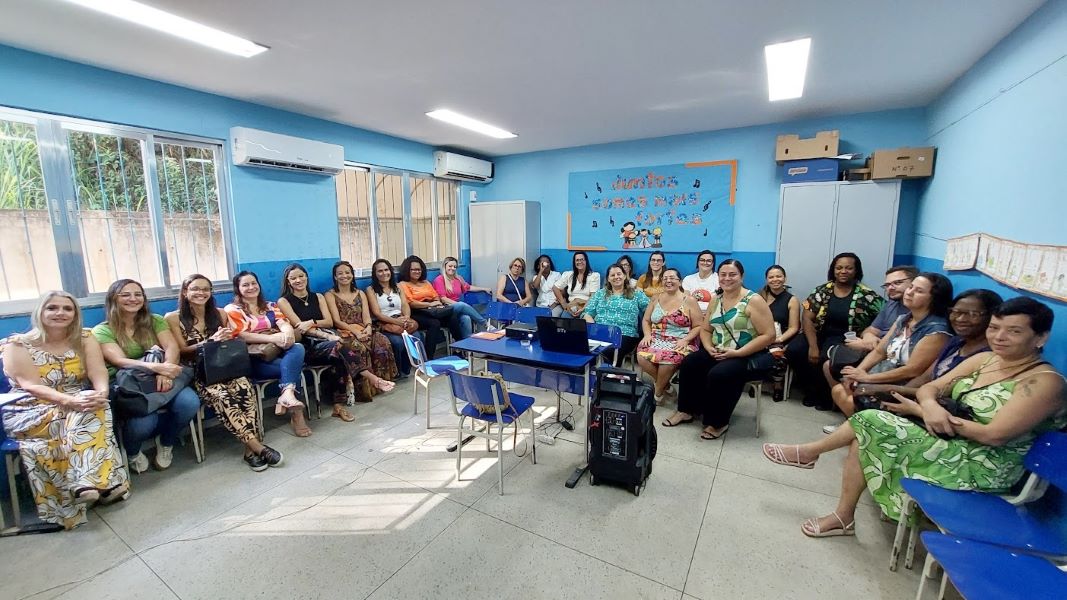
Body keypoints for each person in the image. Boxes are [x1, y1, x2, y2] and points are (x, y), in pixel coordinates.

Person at [762, 297, 1066, 537]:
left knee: (870, 425)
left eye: (1014, 331)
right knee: (867, 430)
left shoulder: (1044, 382)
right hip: (951, 439)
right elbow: (932, 385)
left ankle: (813, 458)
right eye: (995, 328)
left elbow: (994, 435)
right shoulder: (987, 359)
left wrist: (922, 410)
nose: (999, 337)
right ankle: (841, 513)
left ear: (1040, 338)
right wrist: (930, 406)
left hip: (986, 464)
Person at [1, 291, 129, 529]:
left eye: (67, 309)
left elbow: (98, 372)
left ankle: (85, 482)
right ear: (40, 312)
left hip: (78, 401)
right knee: (90, 409)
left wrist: (100, 393)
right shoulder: (16, 345)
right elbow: (31, 386)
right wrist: (72, 402)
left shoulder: (85, 337)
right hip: (31, 408)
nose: (60, 313)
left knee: (96, 404)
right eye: (52, 308)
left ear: (75, 314)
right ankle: (102, 482)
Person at [164, 275, 282, 471]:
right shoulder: (173, 318)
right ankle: (257, 447)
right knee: (222, 395)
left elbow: (229, 345)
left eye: (205, 289)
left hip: (225, 367)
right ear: (185, 292)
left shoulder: (220, 314)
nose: (201, 293)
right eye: (195, 289)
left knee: (245, 387)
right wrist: (209, 342)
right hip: (199, 372)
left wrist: (226, 338)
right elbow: (181, 351)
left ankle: (249, 451)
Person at [93, 279, 200, 473]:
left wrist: (166, 370)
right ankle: (133, 452)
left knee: (190, 403)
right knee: (143, 422)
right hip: (130, 386)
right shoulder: (102, 330)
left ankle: (167, 442)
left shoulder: (155, 320)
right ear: (113, 299)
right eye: (125, 295)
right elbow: (119, 361)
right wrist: (157, 368)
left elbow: (171, 347)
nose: (133, 299)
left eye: (138, 294)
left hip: (164, 377)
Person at [663, 260, 776, 439]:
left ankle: (717, 422)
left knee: (720, 374)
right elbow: (706, 329)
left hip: (746, 353)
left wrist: (738, 353)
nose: (727, 278)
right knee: (690, 363)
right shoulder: (716, 299)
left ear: (742, 276)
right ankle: (686, 410)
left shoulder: (753, 300)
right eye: (723, 274)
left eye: (732, 274)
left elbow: (769, 335)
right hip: (718, 349)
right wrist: (708, 348)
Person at [828, 273, 954, 423]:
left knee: (852, 398)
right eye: (911, 287)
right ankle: (859, 430)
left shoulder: (937, 331)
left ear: (934, 298)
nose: (910, 292)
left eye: (919, 291)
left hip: (905, 384)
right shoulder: (904, 319)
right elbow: (880, 351)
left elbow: (912, 370)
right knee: (839, 390)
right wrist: (858, 372)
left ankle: (861, 431)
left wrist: (868, 378)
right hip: (884, 372)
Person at [278, 263, 394, 423]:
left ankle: (338, 406)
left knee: (337, 355)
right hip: (308, 347)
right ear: (288, 281)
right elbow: (301, 328)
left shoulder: (317, 297)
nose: (298, 280)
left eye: (301, 276)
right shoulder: (284, 301)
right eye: (293, 278)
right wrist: (327, 336)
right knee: (340, 345)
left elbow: (328, 321)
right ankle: (373, 379)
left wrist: (311, 321)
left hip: (328, 342)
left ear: (306, 277)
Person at [848, 289, 1003, 401]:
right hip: (919, 396)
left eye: (973, 314)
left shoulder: (987, 355)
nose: (960, 319)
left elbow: (943, 391)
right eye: (955, 312)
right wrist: (899, 395)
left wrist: (889, 390)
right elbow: (925, 377)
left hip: (939, 408)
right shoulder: (957, 342)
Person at [787, 253, 884, 411]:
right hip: (817, 333)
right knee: (794, 350)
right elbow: (807, 317)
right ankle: (809, 390)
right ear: (833, 270)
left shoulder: (867, 295)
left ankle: (826, 397)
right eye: (839, 268)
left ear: (856, 270)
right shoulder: (822, 291)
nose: (843, 271)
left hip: (845, 338)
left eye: (848, 268)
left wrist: (868, 334)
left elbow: (883, 318)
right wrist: (813, 346)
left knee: (826, 356)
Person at [225, 271, 311, 437]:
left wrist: (286, 333)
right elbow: (242, 335)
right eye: (245, 285)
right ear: (238, 289)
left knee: (298, 348)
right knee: (292, 369)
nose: (251, 287)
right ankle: (296, 414)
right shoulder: (233, 309)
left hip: (277, 354)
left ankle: (287, 395)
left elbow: (283, 323)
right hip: (255, 360)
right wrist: (273, 337)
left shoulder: (270, 306)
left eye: (253, 283)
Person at [322, 260, 399, 391]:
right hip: (345, 331)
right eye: (340, 273)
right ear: (335, 277)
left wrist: (368, 327)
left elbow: (366, 316)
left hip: (364, 328)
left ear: (352, 275)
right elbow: (336, 320)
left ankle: (383, 382)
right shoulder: (330, 295)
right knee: (359, 348)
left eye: (347, 272)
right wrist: (355, 332)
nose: (344, 276)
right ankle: (364, 390)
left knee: (382, 342)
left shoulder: (360, 293)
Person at [636, 268, 702, 405]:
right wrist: (647, 335)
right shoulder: (656, 298)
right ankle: (667, 387)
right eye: (665, 278)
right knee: (641, 356)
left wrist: (686, 339)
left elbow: (698, 326)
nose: (668, 281)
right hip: (656, 337)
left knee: (668, 361)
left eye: (672, 278)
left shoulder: (689, 300)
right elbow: (646, 320)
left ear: (680, 281)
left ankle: (658, 393)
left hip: (681, 340)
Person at [398, 255, 470, 353]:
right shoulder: (403, 284)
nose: (417, 272)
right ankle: (428, 357)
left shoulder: (426, 282)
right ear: (407, 270)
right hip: (417, 312)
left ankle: (460, 349)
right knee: (434, 323)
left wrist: (436, 303)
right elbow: (411, 303)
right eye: (413, 269)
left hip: (432, 310)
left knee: (452, 316)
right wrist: (430, 304)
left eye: (419, 269)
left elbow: (435, 296)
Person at [582, 263, 650, 367]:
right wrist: (594, 327)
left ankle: (610, 375)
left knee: (611, 350)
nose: (616, 277)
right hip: (600, 332)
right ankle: (590, 375)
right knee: (581, 347)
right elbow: (587, 313)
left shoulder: (636, 294)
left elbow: (650, 310)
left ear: (624, 276)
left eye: (619, 274)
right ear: (608, 279)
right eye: (612, 275)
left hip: (625, 334)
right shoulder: (600, 294)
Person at [366, 258, 422, 376]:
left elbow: (405, 305)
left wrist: (406, 317)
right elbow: (377, 313)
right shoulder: (371, 290)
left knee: (416, 336)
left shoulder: (397, 287)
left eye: (386, 270)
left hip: (401, 320)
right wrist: (397, 322)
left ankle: (411, 368)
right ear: (375, 274)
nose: (384, 273)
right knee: (398, 342)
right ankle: (398, 371)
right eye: (380, 271)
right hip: (385, 323)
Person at [844, 266, 919, 353]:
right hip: (877, 351)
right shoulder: (892, 303)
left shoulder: (918, 312)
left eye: (897, 283)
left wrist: (867, 346)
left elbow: (904, 350)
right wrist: (868, 337)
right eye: (887, 285)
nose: (890, 288)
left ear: (914, 283)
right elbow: (871, 329)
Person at [758, 265, 801, 401]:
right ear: (766, 279)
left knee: (778, 356)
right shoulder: (759, 297)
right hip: (761, 336)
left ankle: (777, 386)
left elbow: (794, 327)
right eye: (771, 277)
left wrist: (779, 340)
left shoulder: (792, 300)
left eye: (778, 276)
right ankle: (757, 383)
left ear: (784, 278)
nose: (775, 279)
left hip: (780, 338)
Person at [433, 256, 491, 329]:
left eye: (455, 267)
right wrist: (458, 305)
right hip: (445, 308)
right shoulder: (439, 280)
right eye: (450, 266)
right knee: (461, 305)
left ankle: (466, 340)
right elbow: (443, 298)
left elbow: (468, 287)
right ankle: (484, 323)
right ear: (444, 266)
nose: (453, 268)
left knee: (466, 318)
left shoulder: (458, 278)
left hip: (458, 308)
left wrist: (484, 289)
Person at [553, 251, 601, 319]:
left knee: (585, 322)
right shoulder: (568, 275)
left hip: (587, 307)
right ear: (574, 262)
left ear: (586, 261)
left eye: (582, 259)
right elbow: (555, 288)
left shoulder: (594, 276)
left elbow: (593, 297)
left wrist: (583, 309)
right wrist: (564, 305)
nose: (579, 262)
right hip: (571, 307)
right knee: (564, 318)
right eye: (577, 260)